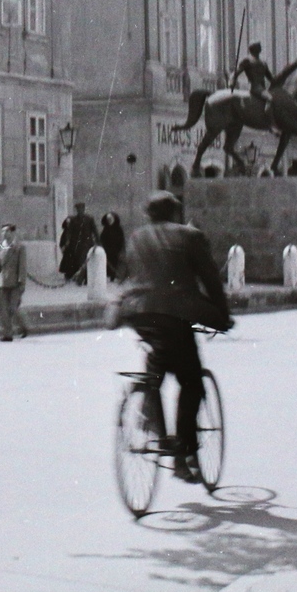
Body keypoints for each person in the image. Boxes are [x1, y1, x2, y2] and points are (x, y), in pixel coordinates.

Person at [116, 191, 233, 485]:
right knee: (191, 381)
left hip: (138, 313)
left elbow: (125, 273)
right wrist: (222, 314)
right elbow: (210, 279)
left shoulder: (137, 237)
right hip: (174, 315)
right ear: (175, 213)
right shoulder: (189, 237)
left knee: (157, 363)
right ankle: (183, 451)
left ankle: (150, 417)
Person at [0, 223, 27, 341]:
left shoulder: (19, 247)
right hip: (2, 282)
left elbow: (22, 267)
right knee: (3, 310)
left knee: (13, 308)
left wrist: (22, 283)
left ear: (13, 233)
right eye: (2, 231)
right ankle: (8, 334)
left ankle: (23, 327)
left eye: (7, 231)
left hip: (15, 283)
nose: (4, 233)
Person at [232, 42, 273, 122]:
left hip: (263, 87)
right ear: (254, 49)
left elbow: (270, 77)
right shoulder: (247, 61)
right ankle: (268, 120)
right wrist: (232, 79)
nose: (261, 48)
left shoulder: (263, 62)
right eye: (259, 47)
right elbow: (237, 72)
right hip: (254, 87)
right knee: (270, 98)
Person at [59, 203, 97, 283]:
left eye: (81, 209)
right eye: (78, 209)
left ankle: (85, 279)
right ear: (77, 210)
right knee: (76, 261)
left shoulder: (89, 219)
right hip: (75, 244)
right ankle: (78, 277)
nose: (80, 211)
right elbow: (69, 232)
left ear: (84, 209)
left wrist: (98, 242)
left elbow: (95, 231)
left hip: (87, 243)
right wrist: (67, 242)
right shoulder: (73, 220)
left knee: (84, 261)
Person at [99, 212, 127, 282]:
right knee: (109, 263)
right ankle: (111, 276)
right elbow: (102, 238)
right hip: (108, 249)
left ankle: (115, 276)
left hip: (116, 249)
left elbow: (121, 238)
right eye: (108, 219)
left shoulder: (118, 228)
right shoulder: (106, 228)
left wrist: (121, 248)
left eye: (110, 219)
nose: (109, 221)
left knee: (116, 262)